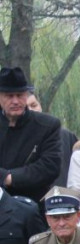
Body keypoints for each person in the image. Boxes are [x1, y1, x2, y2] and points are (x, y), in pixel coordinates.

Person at [0, 66, 62, 203]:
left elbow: (49, 166)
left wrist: (9, 178)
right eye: (9, 96)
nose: (15, 101)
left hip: (32, 205)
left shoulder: (47, 125)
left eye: (20, 95)